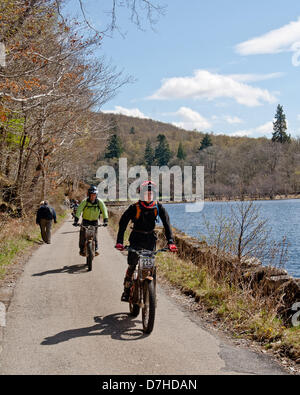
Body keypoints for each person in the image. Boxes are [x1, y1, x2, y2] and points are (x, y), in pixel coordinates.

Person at [115, 181, 178, 302]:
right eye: (146, 193)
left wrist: (171, 242)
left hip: (150, 240)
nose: (149, 196)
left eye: (151, 193)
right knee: (132, 265)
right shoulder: (134, 207)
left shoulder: (158, 207)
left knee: (150, 267)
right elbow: (123, 224)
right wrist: (119, 242)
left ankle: (151, 293)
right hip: (136, 239)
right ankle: (127, 291)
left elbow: (167, 224)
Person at [73, 186, 108, 256]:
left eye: (94, 195)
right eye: (91, 195)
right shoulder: (85, 202)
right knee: (82, 235)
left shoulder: (99, 202)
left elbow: (104, 210)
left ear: (96, 195)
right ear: (88, 195)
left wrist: (105, 220)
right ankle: (82, 249)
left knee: (95, 235)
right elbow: (79, 210)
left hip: (94, 221)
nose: (93, 196)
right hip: (85, 221)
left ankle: (95, 249)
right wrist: (76, 220)